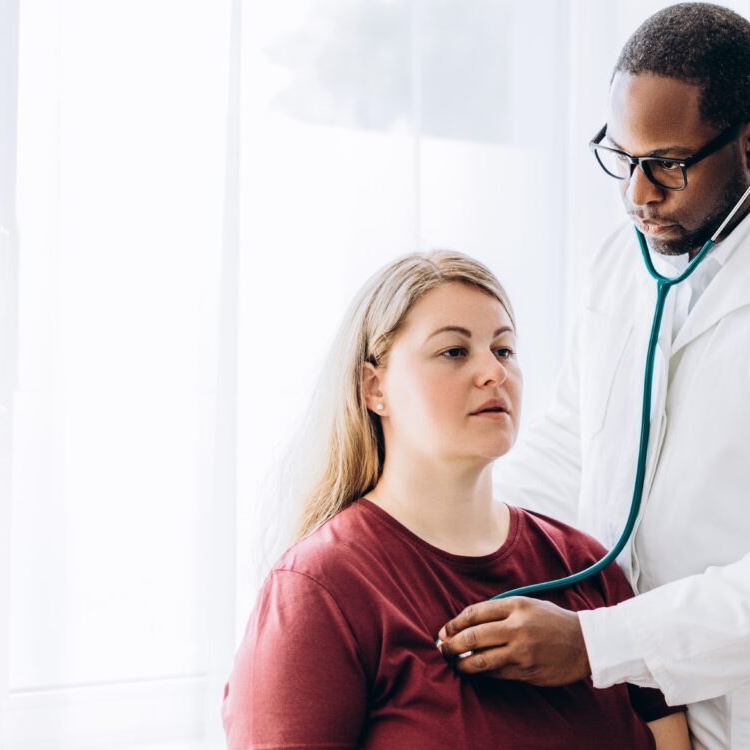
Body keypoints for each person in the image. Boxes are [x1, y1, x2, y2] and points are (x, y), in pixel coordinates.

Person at [437, 4, 750, 748]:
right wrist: (444, 544)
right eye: (622, 158)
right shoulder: (625, 259)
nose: (637, 195)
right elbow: (572, 445)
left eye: (668, 164)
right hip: (656, 714)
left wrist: (594, 644)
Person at [222, 252, 691, 749]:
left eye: (504, 349)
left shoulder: (588, 568)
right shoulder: (319, 591)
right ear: (374, 387)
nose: (493, 372)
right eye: (454, 352)